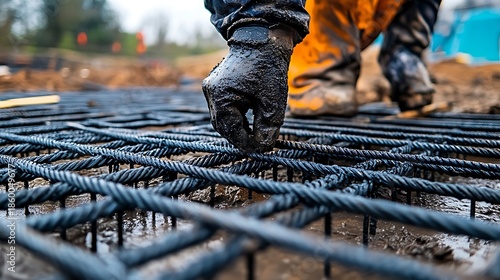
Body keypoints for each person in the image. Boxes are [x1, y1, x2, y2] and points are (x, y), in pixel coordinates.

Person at [203, 0, 441, 152]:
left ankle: (331, 76)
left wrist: (257, 31)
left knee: (323, 92)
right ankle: (405, 65)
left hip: (360, 15)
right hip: (345, 18)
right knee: (325, 94)